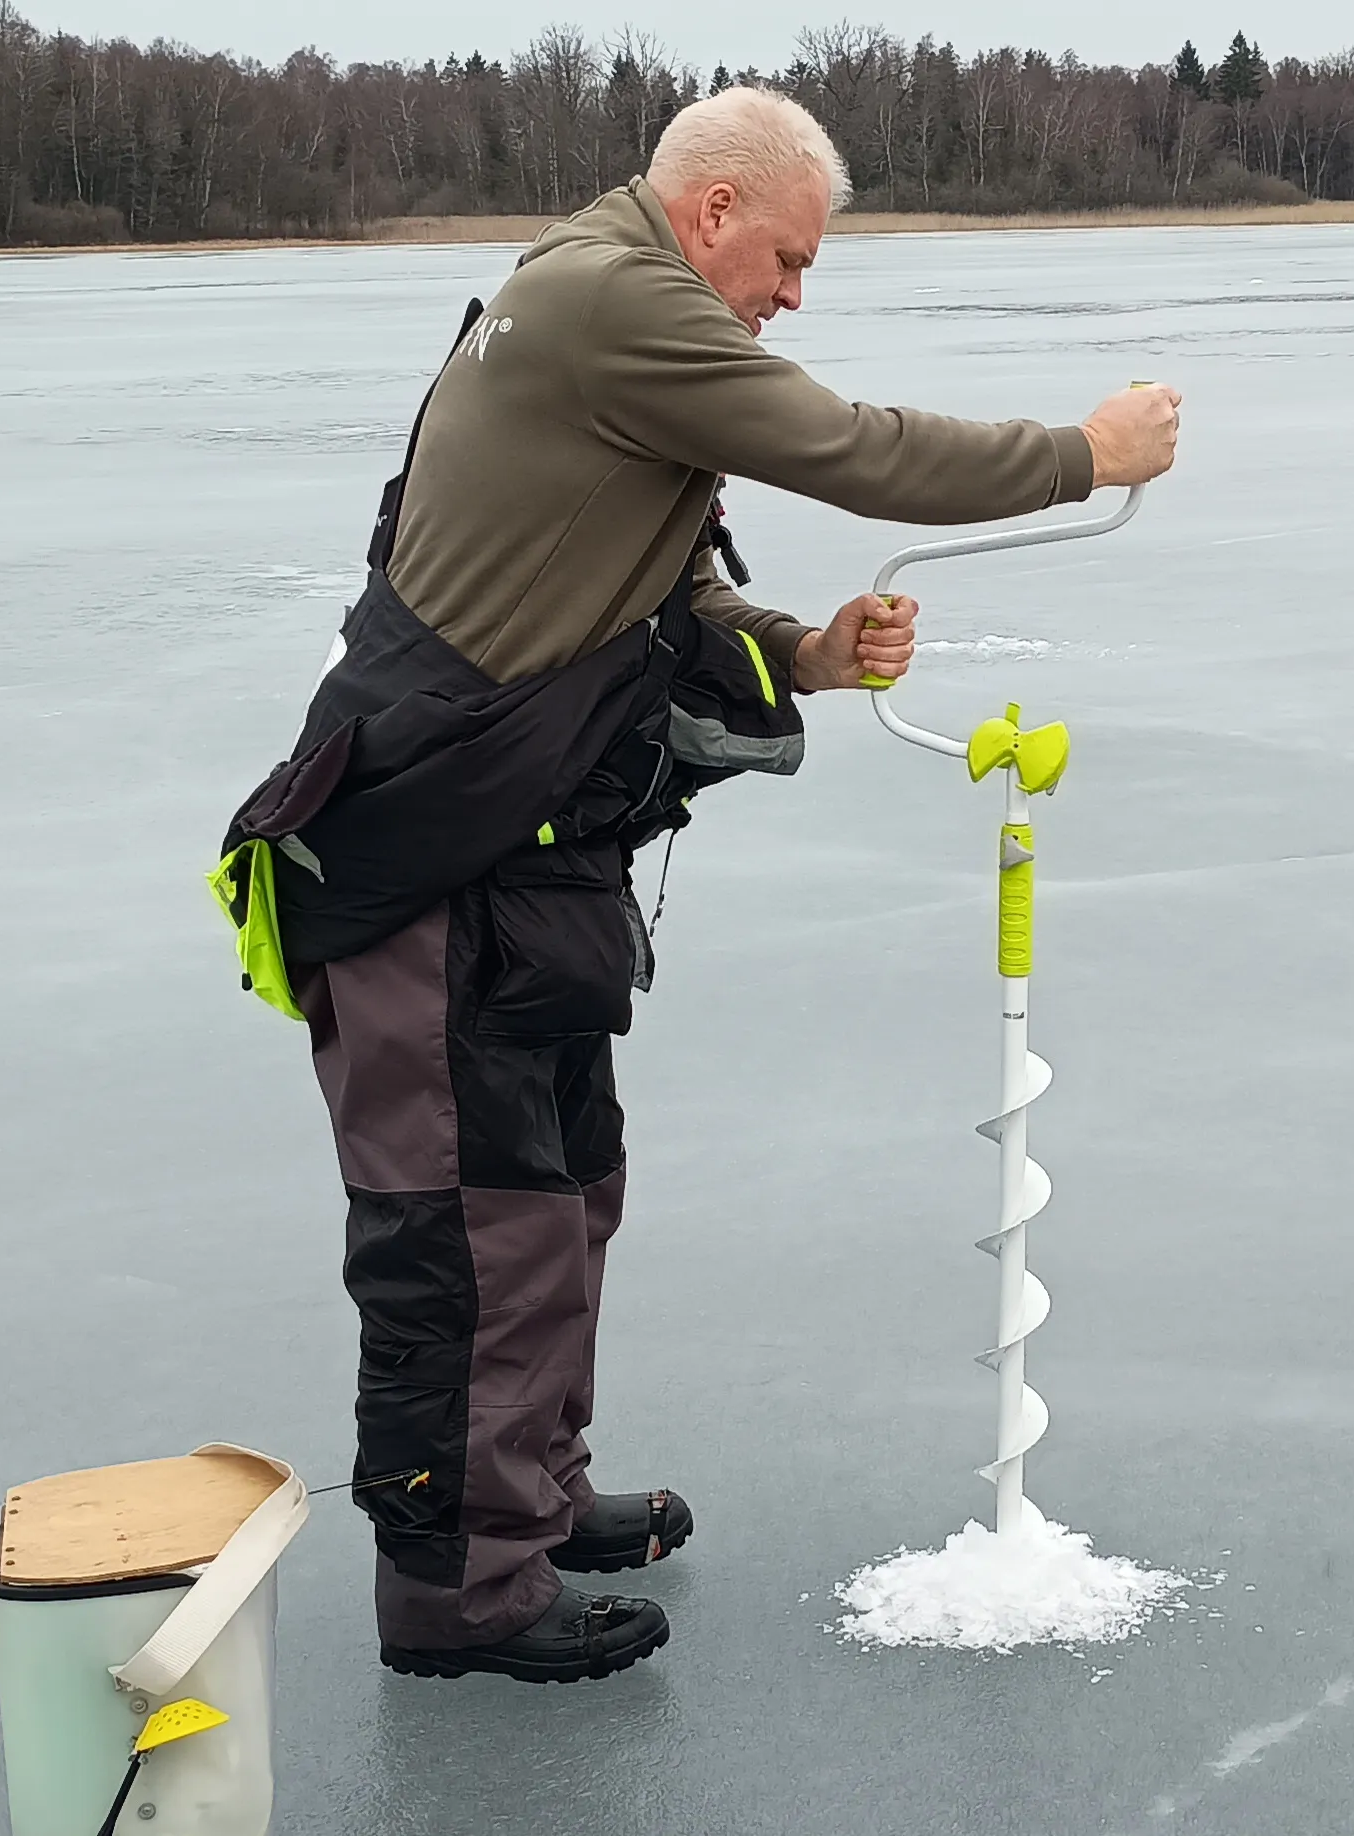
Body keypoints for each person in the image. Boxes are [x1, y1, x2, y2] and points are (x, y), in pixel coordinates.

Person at [208, 86, 1181, 1685]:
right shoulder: (612, 299)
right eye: (789, 259)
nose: (796, 294)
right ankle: (462, 1594)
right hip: (429, 874)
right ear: (716, 211)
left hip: (514, 872)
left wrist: (803, 654)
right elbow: (850, 449)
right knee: (470, 1236)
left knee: (562, 1198)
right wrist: (1085, 454)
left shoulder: (604, 304)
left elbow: (662, 589)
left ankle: (528, 1502)